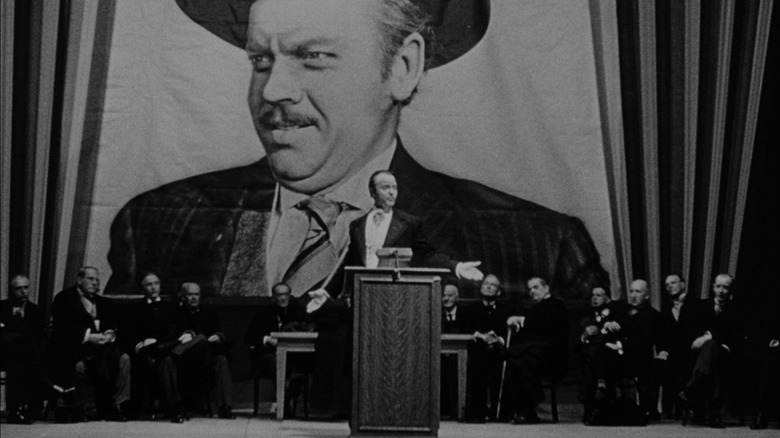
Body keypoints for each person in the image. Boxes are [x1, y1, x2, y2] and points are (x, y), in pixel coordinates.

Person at [105, 0, 608, 301]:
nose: (275, 90)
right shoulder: (157, 223)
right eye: (261, 59)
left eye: (314, 56)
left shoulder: (542, 244)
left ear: (402, 68)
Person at [47, 266, 131, 422]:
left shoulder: (104, 302)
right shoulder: (64, 298)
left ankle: (118, 404)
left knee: (124, 358)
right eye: (90, 279)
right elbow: (62, 328)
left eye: (97, 280)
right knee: (94, 363)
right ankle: (103, 406)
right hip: (76, 349)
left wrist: (109, 335)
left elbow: (116, 326)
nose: (94, 283)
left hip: (104, 349)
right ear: (79, 280)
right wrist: (89, 336)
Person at [678, 273, 744, 428]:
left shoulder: (737, 310)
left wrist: (709, 336)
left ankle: (691, 387)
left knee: (713, 347)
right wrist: (703, 340)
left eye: (725, 287)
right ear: (713, 287)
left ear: (732, 290)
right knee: (711, 355)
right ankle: (714, 414)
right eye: (718, 286)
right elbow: (691, 331)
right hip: (699, 356)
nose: (721, 291)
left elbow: (737, 336)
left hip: (727, 355)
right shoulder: (701, 306)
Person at [503, 277, 569, 424]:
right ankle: (526, 410)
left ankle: (529, 408)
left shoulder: (556, 305)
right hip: (536, 354)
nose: (532, 291)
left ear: (546, 288)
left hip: (552, 356)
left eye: (536, 287)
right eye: (530, 289)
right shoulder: (534, 309)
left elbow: (546, 326)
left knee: (521, 360)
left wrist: (522, 320)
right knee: (515, 364)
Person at [125, 272, 186, 422]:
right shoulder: (135, 310)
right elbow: (130, 334)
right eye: (149, 284)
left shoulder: (172, 308)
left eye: (156, 283)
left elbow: (177, 332)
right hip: (144, 352)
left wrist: (157, 342)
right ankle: (142, 408)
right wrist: (141, 344)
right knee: (142, 361)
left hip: (165, 350)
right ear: (142, 288)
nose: (153, 287)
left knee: (168, 362)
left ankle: (174, 410)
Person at [172, 282, 236, 419]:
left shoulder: (209, 314)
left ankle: (225, 407)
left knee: (221, 360)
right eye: (190, 294)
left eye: (196, 294)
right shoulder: (174, 314)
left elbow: (218, 332)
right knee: (200, 339)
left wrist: (218, 336)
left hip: (206, 360)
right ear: (182, 297)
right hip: (184, 361)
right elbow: (172, 337)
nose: (194, 297)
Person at [244, 282, 309, 415]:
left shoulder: (298, 312)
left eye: (286, 294)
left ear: (290, 297)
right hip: (268, 356)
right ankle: (285, 401)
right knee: (276, 361)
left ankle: (286, 396)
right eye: (279, 295)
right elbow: (249, 337)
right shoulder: (263, 313)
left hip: (293, 355)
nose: (283, 298)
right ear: (273, 297)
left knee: (302, 365)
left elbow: (307, 329)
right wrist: (267, 339)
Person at [459, 274, 514, 422]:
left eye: (493, 285)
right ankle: (477, 413)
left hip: (499, 351)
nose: (489, 286)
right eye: (486, 284)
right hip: (477, 350)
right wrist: (480, 335)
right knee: (476, 365)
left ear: (499, 291)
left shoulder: (507, 311)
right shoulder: (470, 310)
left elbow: (509, 334)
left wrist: (499, 340)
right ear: (481, 288)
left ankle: (500, 413)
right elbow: (465, 329)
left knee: (506, 366)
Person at [0, 275, 46, 424]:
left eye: (25, 288)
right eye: (18, 288)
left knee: (26, 359)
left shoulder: (36, 310)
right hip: (4, 353)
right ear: (12, 290)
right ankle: (19, 408)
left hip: (27, 355)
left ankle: (24, 407)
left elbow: (38, 335)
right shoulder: (2, 307)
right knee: (21, 356)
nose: (23, 291)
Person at [654, 273, 698, 419]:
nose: (670, 286)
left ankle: (691, 406)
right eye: (667, 285)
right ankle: (668, 409)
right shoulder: (666, 309)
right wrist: (661, 350)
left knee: (686, 364)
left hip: (692, 350)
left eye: (673, 283)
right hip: (672, 352)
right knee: (664, 364)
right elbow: (660, 335)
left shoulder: (696, 305)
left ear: (683, 284)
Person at [577, 286, 623, 423]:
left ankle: (591, 409)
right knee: (590, 359)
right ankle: (600, 385)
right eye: (593, 295)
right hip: (592, 358)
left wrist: (606, 330)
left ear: (607, 298)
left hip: (612, 357)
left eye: (599, 295)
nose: (595, 298)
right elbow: (577, 346)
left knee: (593, 357)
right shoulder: (586, 320)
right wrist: (585, 335)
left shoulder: (616, 315)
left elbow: (623, 337)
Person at [620, 279, 660, 422]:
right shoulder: (622, 311)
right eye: (631, 291)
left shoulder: (653, 315)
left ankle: (646, 409)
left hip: (641, 356)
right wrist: (609, 322)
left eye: (638, 291)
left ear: (647, 295)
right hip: (620, 355)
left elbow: (648, 339)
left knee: (647, 368)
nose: (633, 295)